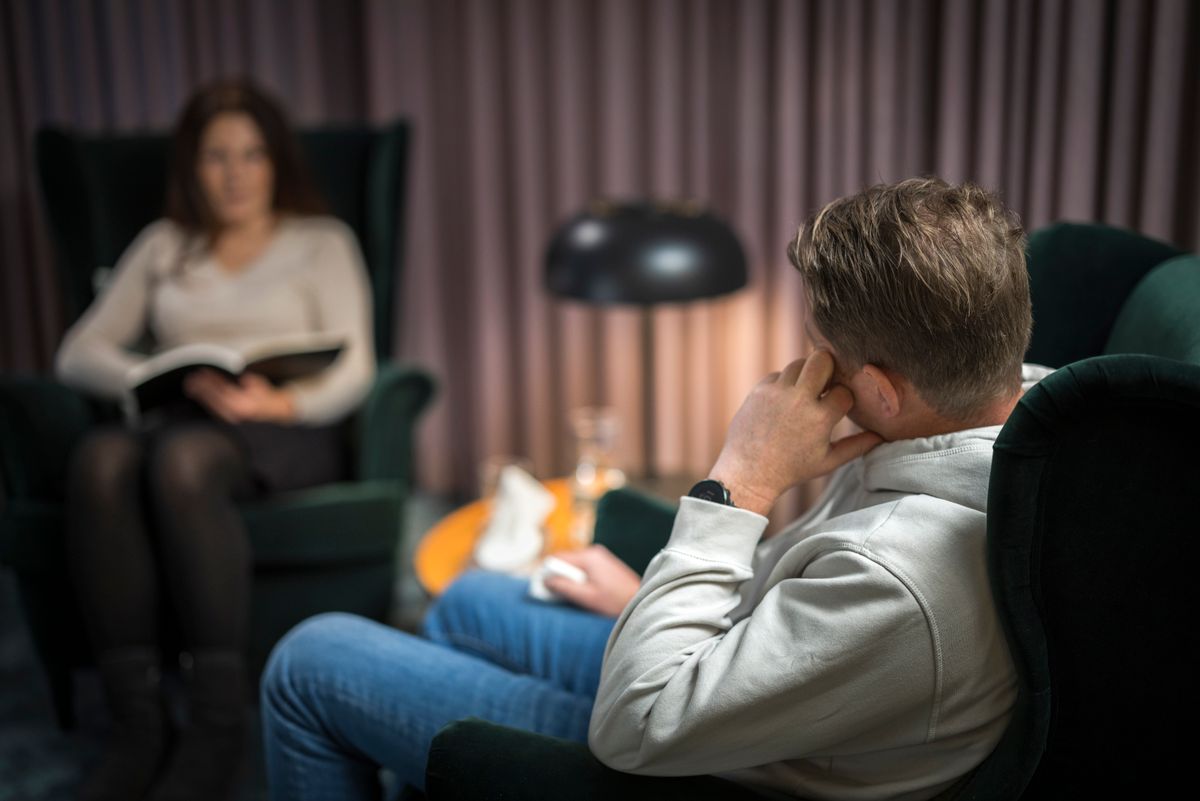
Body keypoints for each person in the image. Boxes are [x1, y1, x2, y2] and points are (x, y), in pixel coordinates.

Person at [261, 178, 1045, 800]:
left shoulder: (898, 579)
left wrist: (742, 478)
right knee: (472, 598)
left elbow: (636, 724)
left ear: (879, 389)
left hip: (699, 753)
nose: (807, 365)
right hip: (755, 685)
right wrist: (649, 597)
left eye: (820, 350)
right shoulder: (1017, 410)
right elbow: (800, 625)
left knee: (308, 658)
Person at [56, 78, 375, 801]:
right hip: (181, 417)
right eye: (215, 157)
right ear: (192, 168)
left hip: (283, 429)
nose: (234, 174)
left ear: (276, 161)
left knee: (180, 462)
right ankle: (138, 724)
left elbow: (358, 362)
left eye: (251, 154)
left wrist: (285, 400)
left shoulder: (321, 241)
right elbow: (78, 352)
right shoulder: (164, 246)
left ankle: (216, 723)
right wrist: (159, 373)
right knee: (100, 459)